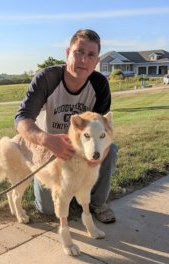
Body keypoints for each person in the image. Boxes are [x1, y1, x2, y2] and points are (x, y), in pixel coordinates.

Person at [14, 29, 118, 224]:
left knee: (109, 149)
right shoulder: (47, 78)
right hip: (49, 148)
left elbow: (103, 129)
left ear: (96, 62)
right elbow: (21, 120)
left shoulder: (99, 84)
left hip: (80, 146)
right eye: (79, 52)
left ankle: (96, 202)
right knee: (47, 209)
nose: (84, 60)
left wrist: (99, 154)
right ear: (68, 53)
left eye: (91, 55)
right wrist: (46, 140)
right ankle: (68, 194)